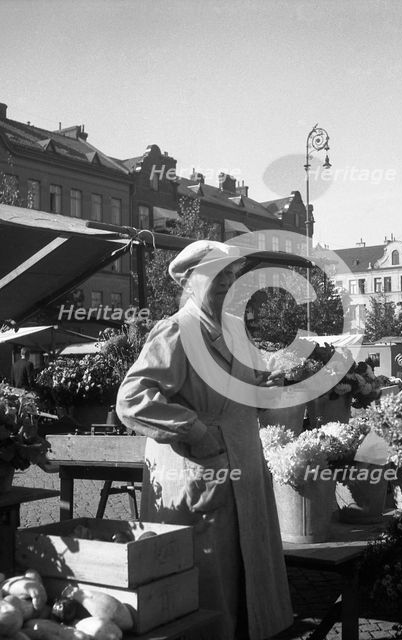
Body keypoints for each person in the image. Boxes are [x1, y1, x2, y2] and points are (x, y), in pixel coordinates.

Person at [116, 240, 293, 640]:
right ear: (191, 282)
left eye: (232, 275)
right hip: (200, 475)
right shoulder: (177, 331)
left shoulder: (233, 329)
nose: (227, 284)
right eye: (217, 276)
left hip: (244, 469)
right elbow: (131, 399)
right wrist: (193, 430)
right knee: (208, 584)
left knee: (248, 576)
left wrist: (262, 389)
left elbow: (235, 393)